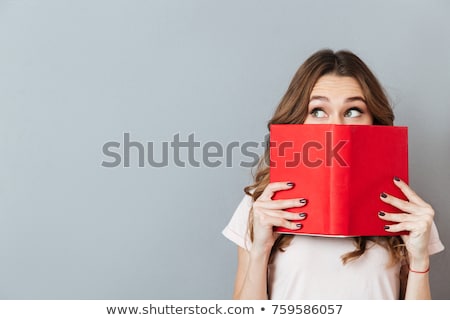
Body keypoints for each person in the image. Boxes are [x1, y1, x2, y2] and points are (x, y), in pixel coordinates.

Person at [222, 49, 445, 300]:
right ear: (299, 119)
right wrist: (260, 249)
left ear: (373, 120)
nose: (336, 126)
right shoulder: (261, 204)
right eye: (318, 111)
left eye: (353, 111)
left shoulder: (406, 211)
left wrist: (419, 260)